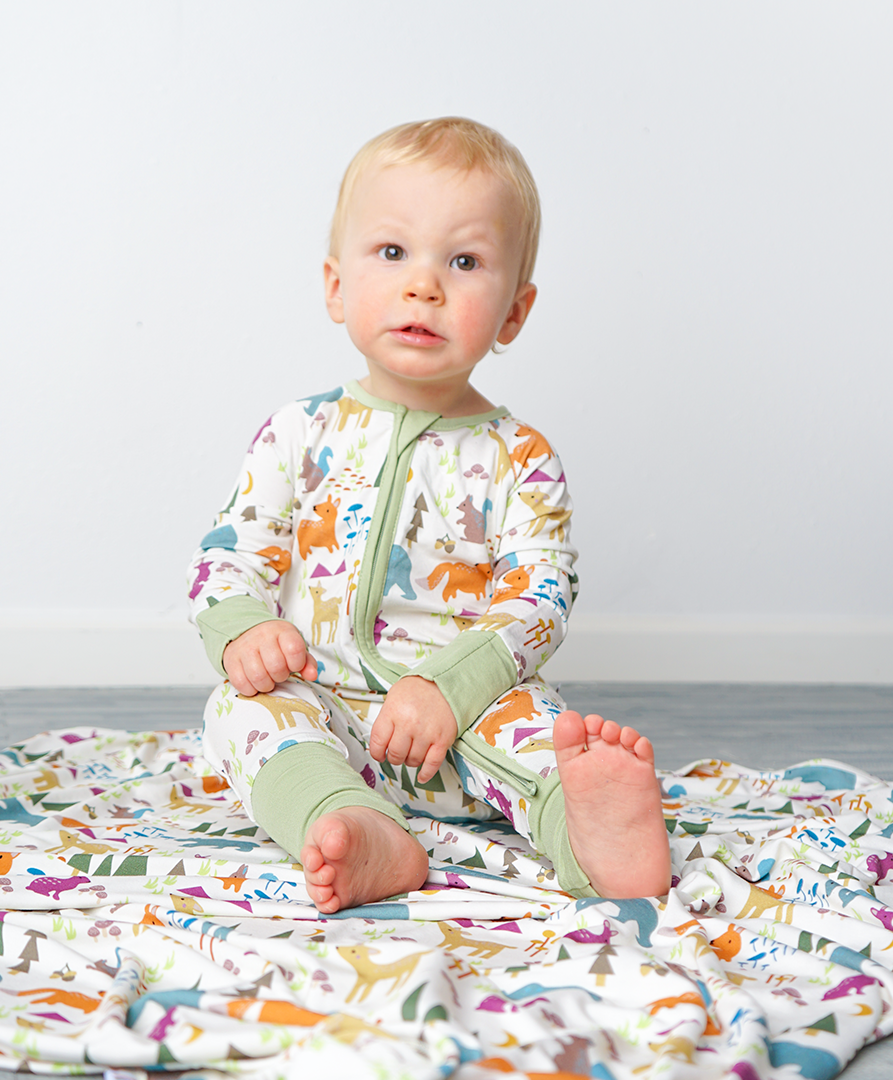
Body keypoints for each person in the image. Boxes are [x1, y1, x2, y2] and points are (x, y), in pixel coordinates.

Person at [187, 117, 671, 913]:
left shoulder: (520, 456)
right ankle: (352, 824)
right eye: (391, 252)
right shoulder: (297, 433)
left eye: (465, 261)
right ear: (336, 284)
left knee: (543, 733)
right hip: (327, 707)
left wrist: (450, 687)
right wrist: (243, 627)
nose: (424, 285)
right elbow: (228, 553)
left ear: (514, 312)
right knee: (240, 714)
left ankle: (589, 833)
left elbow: (540, 598)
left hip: (464, 722)